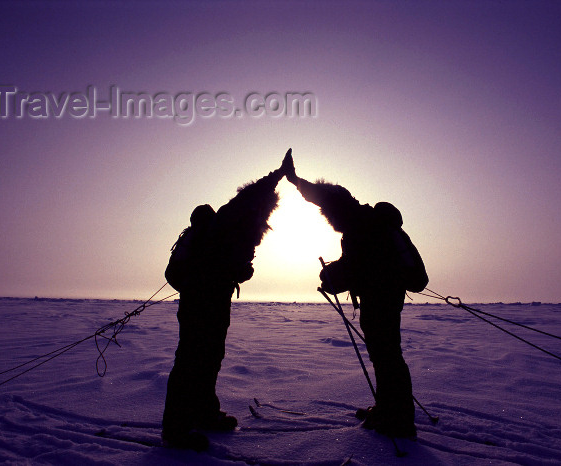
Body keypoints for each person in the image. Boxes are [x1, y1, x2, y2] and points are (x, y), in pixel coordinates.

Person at [285, 152, 428, 439]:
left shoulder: (361, 223)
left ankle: (397, 420)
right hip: (387, 298)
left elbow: (358, 265)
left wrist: (295, 181)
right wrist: (337, 274)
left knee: (386, 356)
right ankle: (389, 408)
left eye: (329, 212)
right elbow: (361, 264)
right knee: (386, 355)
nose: (330, 218)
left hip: (379, 300)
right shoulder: (372, 226)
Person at [162, 150, 294, 450]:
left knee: (208, 359)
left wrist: (236, 271)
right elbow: (248, 199)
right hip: (200, 306)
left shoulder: (211, 239)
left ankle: (204, 414)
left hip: (213, 304)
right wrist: (277, 175)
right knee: (191, 363)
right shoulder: (213, 233)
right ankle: (176, 430)